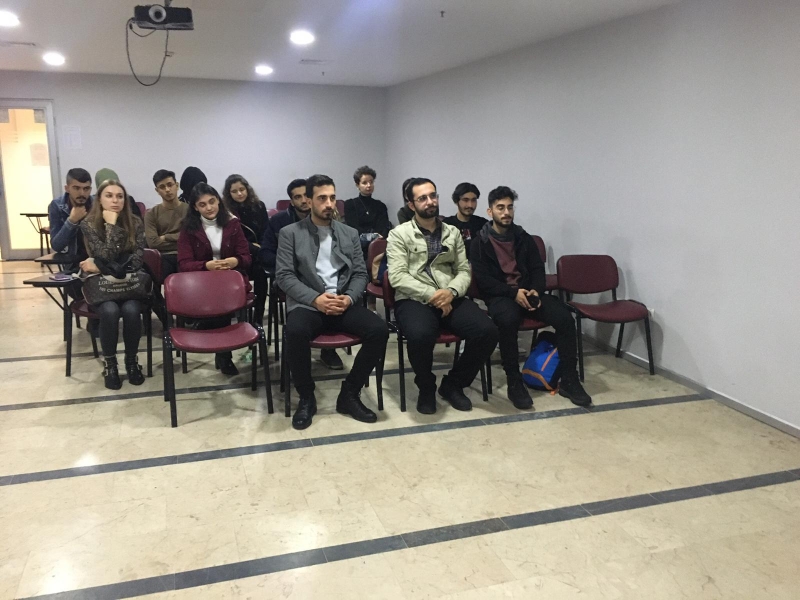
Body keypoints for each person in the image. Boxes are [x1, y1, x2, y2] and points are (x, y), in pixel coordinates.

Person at [276, 174, 389, 430]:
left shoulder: (349, 233)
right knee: (295, 331)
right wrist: (315, 299)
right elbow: (284, 276)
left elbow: (360, 274)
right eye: (322, 198)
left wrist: (348, 298)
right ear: (308, 201)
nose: (329, 204)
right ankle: (306, 396)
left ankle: (349, 393)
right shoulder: (290, 233)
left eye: (332, 198)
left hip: (342, 302)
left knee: (379, 330)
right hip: (308, 304)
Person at [470, 186, 592, 408]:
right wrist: (512, 293)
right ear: (490, 212)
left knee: (565, 318)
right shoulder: (480, 242)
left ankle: (569, 379)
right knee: (507, 320)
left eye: (510, 207)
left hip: (528, 292)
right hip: (501, 295)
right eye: (500, 208)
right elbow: (484, 280)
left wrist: (535, 289)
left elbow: (537, 268)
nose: (506, 212)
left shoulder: (523, 237)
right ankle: (514, 381)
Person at [386, 177, 498, 414]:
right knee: (420, 334)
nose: (430, 201)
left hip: (450, 295)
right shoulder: (399, 234)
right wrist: (433, 295)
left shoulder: (452, 232)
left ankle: (453, 384)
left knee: (487, 331)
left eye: (433, 196)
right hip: (414, 298)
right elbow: (397, 276)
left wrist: (451, 292)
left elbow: (464, 270)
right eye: (422, 198)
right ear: (411, 204)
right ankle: (426, 387)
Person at [261, 178, 344, 371]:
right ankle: (299, 356)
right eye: (297, 197)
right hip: (292, 278)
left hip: (323, 278)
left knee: (331, 294)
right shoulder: (279, 222)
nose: (304, 201)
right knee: (299, 321)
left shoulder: (329, 219)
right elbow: (265, 253)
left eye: (306, 196)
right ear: (291, 201)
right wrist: (292, 265)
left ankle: (328, 350)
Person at [177, 182, 251, 376]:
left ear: (219, 200)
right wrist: (206, 266)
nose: (209, 208)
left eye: (212, 202)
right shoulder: (188, 228)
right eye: (202, 204)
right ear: (195, 207)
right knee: (217, 300)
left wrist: (235, 261)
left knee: (223, 297)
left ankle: (216, 345)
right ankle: (224, 355)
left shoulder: (233, 223)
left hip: (229, 279)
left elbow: (246, 257)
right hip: (202, 281)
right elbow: (184, 264)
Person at [79, 180, 146, 390]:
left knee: (132, 310)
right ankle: (110, 364)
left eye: (119, 196)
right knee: (109, 310)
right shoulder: (89, 224)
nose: (115, 200)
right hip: (103, 289)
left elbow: (137, 260)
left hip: (129, 285)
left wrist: (101, 266)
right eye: (109, 196)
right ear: (99, 199)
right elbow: (104, 254)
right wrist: (111, 226)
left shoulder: (135, 222)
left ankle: (131, 361)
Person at [223, 174, 269, 324]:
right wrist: (254, 248)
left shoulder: (259, 206)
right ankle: (235, 315)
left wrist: (262, 246)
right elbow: (231, 238)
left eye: (242, 189)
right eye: (234, 191)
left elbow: (266, 230)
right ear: (228, 193)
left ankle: (258, 317)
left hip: (258, 253)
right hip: (238, 255)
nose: (239, 193)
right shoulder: (225, 211)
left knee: (261, 272)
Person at [144, 169, 188, 323]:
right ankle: (166, 320)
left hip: (186, 256)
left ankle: (188, 316)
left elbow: (190, 238)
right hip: (162, 258)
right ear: (157, 191)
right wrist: (179, 237)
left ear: (177, 185)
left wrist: (166, 237)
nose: (167, 190)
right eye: (162, 187)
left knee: (191, 280)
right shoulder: (151, 214)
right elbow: (153, 242)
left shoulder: (189, 210)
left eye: (170, 185)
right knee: (147, 282)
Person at [343, 165, 392, 261]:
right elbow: (352, 228)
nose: (369, 185)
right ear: (357, 185)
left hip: (378, 247)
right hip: (357, 247)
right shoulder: (350, 204)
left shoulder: (381, 205)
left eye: (371, 182)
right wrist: (371, 237)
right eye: (364, 183)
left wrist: (377, 238)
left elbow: (384, 227)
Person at [48, 167, 93, 267]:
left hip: (96, 263)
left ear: (90, 189)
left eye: (86, 189)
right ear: (67, 188)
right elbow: (57, 246)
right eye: (76, 188)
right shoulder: (57, 206)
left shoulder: (96, 205)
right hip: (71, 265)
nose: (82, 193)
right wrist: (72, 221)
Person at [442, 182, 487, 256]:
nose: (470, 205)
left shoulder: (483, 224)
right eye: (465, 200)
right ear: (456, 201)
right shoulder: (447, 225)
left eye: (473, 200)